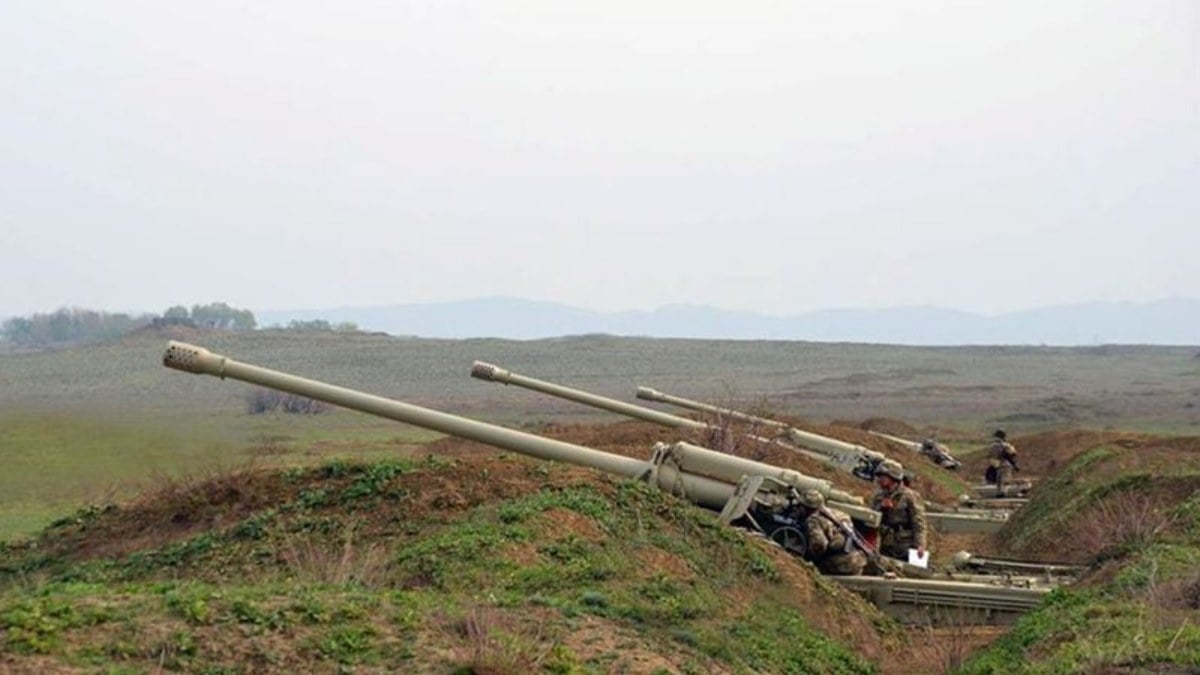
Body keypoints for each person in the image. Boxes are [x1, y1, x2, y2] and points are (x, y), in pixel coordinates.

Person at [791, 488, 867, 576]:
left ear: (807, 508)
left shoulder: (813, 520)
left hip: (840, 564)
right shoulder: (835, 513)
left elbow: (819, 545)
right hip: (857, 559)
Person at [869, 459, 927, 561]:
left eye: (883, 476)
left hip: (906, 544)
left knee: (910, 573)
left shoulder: (909, 496)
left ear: (894, 476)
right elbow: (871, 518)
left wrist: (920, 545)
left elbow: (919, 523)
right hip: (885, 543)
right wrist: (881, 508)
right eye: (879, 476)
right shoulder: (878, 497)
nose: (880, 479)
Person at [984, 429, 1020, 494]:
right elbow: (1012, 454)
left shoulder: (992, 445)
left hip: (997, 464)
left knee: (999, 479)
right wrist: (1014, 465)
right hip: (1005, 463)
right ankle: (1003, 492)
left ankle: (999, 492)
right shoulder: (1006, 445)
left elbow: (989, 455)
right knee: (1006, 479)